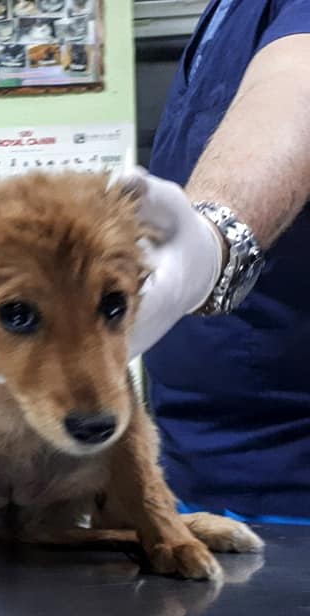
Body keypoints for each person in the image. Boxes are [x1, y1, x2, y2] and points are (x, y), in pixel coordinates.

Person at [124, 1, 310, 520]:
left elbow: (296, 85)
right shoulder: (225, 15)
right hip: (190, 466)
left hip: (286, 479)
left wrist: (212, 241)